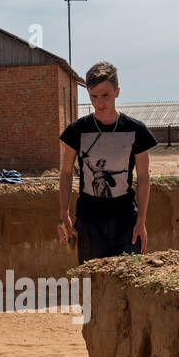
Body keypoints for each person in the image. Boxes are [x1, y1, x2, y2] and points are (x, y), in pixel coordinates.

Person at [58, 61, 157, 263]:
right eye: (94, 96)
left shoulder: (135, 129)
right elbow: (66, 173)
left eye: (105, 95)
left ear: (117, 92)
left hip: (126, 221)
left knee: (129, 284)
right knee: (93, 285)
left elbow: (144, 176)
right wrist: (64, 214)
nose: (99, 102)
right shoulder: (76, 130)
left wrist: (141, 220)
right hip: (89, 223)